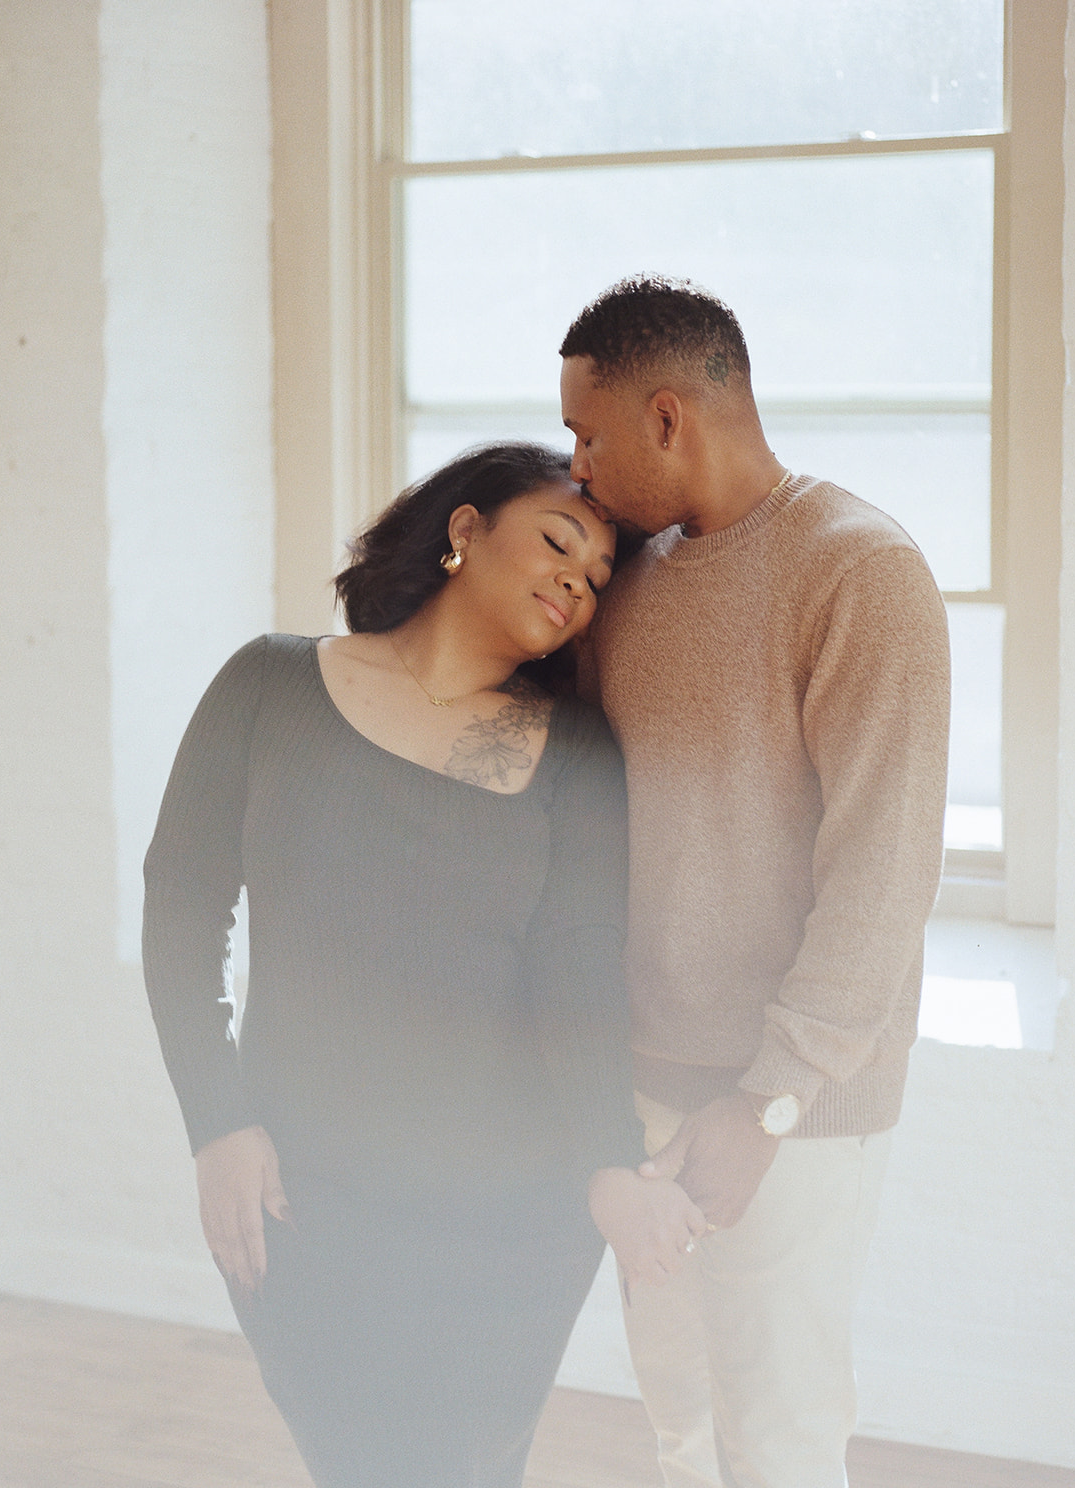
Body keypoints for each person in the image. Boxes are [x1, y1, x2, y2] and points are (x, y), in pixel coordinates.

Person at [142, 442, 706, 1488]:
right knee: (353, 1460)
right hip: (301, 1190)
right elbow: (182, 910)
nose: (575, 584)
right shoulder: (268, 683)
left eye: (595, 580)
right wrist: (216, 1122)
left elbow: (580, 972)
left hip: (509, 1215)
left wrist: (607, 1161)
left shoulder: (577, 754)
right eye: (557, 542)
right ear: (465, 529)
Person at [558, 277, 951, 1488]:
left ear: (666, 416)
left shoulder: (860, 570)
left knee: (778, 1435)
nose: (576, 468)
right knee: (678, 1415)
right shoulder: (624, 578)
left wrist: (770, 1100)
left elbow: (883, 872)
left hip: (791, 1101)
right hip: (644, 1087)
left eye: (588, 435)